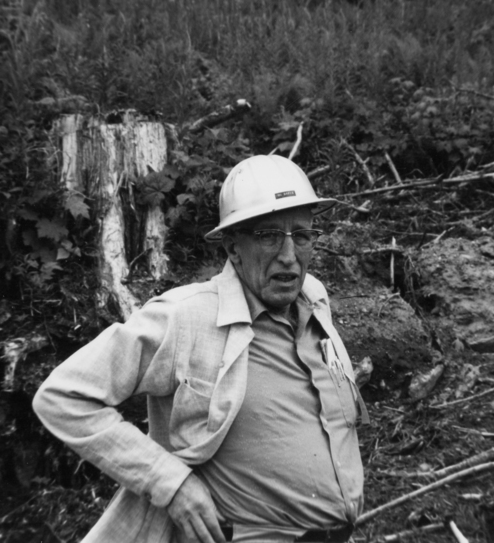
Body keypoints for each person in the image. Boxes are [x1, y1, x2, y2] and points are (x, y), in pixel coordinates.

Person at [33, 155, 369, 543]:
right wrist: (170, 484)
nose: (290, 256)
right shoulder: (188, 317)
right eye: (269, 235)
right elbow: (63, 396)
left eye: (303, 235)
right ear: (232, 248)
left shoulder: (315, 301)